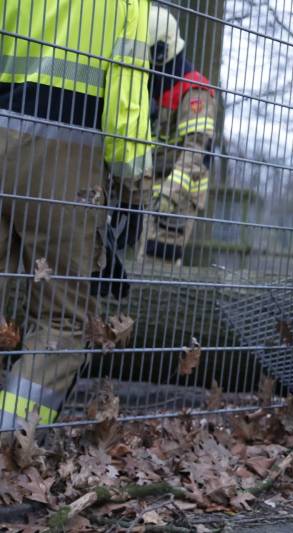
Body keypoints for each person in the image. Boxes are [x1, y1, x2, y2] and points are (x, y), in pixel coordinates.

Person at [0, 0, 152, 430]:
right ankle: (11, 442)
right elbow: (126, 108)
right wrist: (133, 184)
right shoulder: (127, 6)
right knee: (62, 319)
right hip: (67, 159)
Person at [138, 5, 217, 264]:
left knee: (156, 267)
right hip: (148, 189)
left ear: (160, 50)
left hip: (176, 199)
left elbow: (197, 150)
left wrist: (170, 194)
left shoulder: (195, 91)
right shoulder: (154, 85)